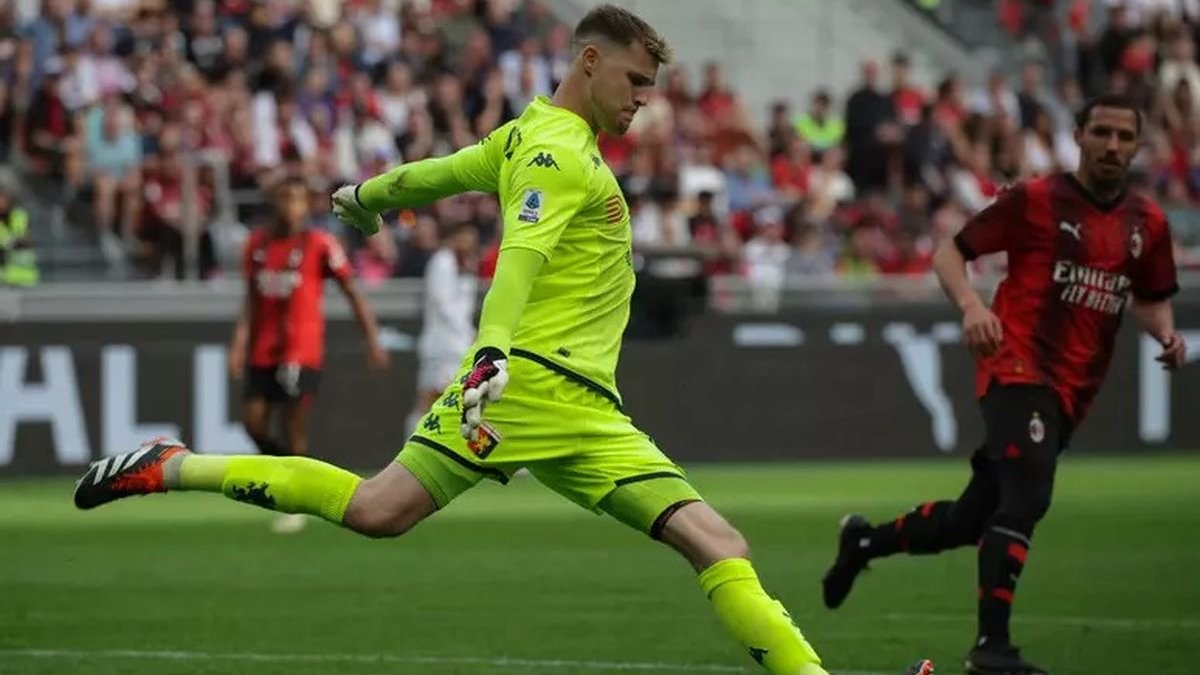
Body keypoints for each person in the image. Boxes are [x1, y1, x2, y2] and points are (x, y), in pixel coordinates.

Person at [73, 6, 931, 675]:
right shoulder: (557, 155)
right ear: (588, 61)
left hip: (588, 410)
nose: (643, 98)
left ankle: (172, 464)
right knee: (379, 510)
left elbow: (437, 174)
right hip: (527, 388)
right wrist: (490, 352)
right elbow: (517, 259)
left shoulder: (528, 136)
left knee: (719, 544)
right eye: (634, 79)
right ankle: (173, 465)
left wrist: (368, 196)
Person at [821, 94, 1187, 675]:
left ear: (1138, 145)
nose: (1113, 146)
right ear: (1079, 135)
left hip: (1073, 388)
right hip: (1015, 366)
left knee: (973, 519)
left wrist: (1164, 333)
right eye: (1102, 132)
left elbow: (1149, 295)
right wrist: (972, 306)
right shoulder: (1035, 200)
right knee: (1028, 496)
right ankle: (992, 648)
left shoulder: (1149, 224)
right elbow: (951, 252)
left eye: (1125, 136)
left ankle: (866, 541)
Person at [227, 176, 391, 533]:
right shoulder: (256, 245)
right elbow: (250, 302)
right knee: (253, 423)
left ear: (306, 206)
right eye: (286, 198)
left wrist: (372, 340)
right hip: (263, 349)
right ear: (275, 203)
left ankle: (295, 502)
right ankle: (292, 479)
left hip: (302, 350)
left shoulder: (320, 244)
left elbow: (352, 292)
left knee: (293, 429)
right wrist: (239, 344)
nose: (292, 206)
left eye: (299, 199)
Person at [406, 221, 480, 437]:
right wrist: (469, 332)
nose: (470, 242)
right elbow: (444, 305)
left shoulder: (463, 265)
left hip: (458, 347)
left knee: (451, 401)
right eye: (466, 236)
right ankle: (410, 443)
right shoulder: (442, 262)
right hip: (440, 345)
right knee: (428, 399)